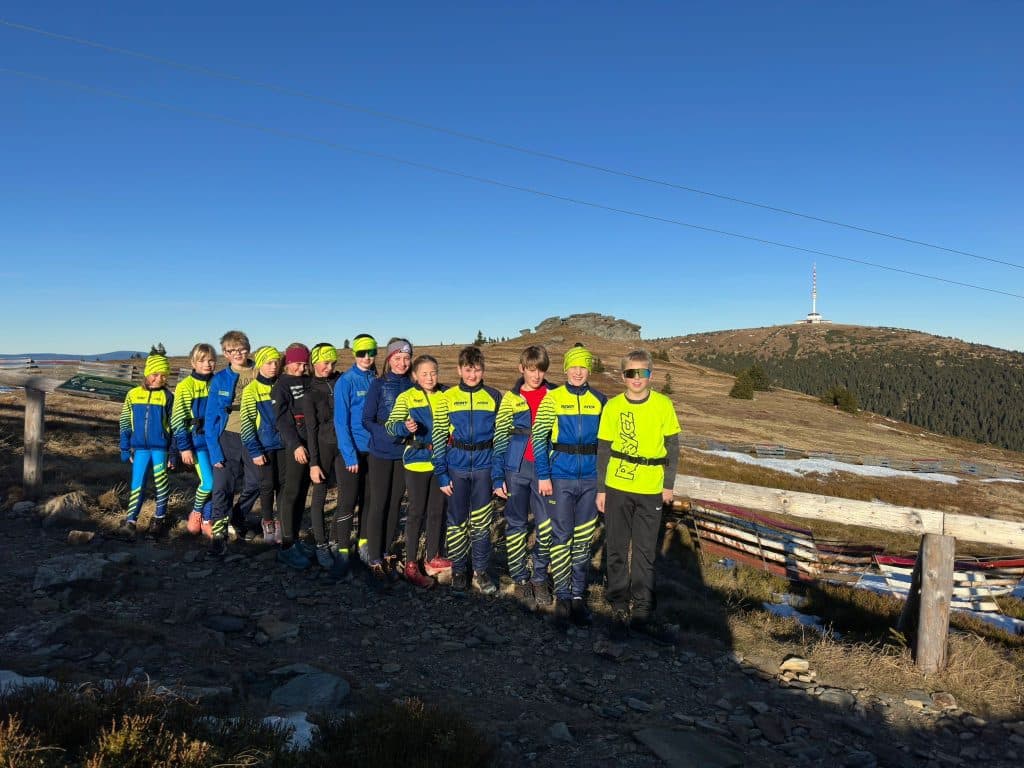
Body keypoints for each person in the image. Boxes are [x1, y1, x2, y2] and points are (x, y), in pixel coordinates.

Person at [596, 349, 681, 642]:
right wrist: (600, 489)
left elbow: (673, 447)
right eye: (630, 373)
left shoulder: (663, 404)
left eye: (642, 372)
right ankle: (618, 601)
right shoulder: (612, 406)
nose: (636, 378)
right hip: (617, 485)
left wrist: (667, 485)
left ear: (650, 375)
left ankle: (642, 605)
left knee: (645, 551)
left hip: (650, 488)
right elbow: (604, 449)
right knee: (617, 547)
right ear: (623, 376)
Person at [532, 343, 607, 626]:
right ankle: (562, 596)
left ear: (589, 369)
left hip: (589, 479)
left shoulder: (600, 400)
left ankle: (578, 597)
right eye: (573, 366)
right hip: (560, 476)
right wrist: (543, 475)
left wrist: (603, 485)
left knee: (583, 539)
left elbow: (606, 446)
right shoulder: (553, 398)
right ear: (565, 369)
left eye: (583, 367)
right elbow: (539, 439)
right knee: (561, 536)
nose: (578, 372)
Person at [432, 345, 502, 594]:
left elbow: (501, 439)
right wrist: (441, 472)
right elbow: (439, 435)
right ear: (460, 370)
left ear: (483, 370)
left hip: (484, 466)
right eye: (468, 370)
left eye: (478, 370)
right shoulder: (446, 398)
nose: (473, 375)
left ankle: (480, 572)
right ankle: (459, 570)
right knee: (457, 522)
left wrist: (498, 474)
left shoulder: (495, 397)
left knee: (482, 523)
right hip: (456, 467)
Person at [492, 345, 555, 610]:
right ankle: (519, 577)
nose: (536, 375)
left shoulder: (555, 396)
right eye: (531, 370)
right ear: (521, 369)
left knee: (546, 526)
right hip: (515, 468)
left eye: (540, 370)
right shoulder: (510, 398)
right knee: (516, 524)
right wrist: (497, 477)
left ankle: (539, 577)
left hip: (545, 471)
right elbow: (499, 437)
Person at [385, 354, 452, 588]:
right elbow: (391, 425)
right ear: (414, 375)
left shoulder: (445, 395)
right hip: (415, 461)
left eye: (433, 372)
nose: (429, 377)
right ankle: (411, 563)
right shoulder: (407, 397)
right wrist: (404, 427)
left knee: (437, 511)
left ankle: (433, 556)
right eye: (424, 373)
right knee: (415, 514)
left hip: (440, 461)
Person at [361, 338, 414, 583]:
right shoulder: (379, 385)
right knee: (379, 503)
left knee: (395, 504)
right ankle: (373, 559)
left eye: (406, 358)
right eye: (398, 358)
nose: (402, 363)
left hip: (404, 453)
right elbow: (367, 420)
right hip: (381, 452)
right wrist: (389, 433)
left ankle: (385, 552)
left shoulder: (414, 385)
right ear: (389, 359)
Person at [204, 331, 261, 556]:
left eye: (242, 349)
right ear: (226, 354)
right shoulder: (220, 379)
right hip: (226, 435)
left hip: (253, 436)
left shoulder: (259, 372)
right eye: (232, 351)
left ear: (249, 348)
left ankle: (238, 517)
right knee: (222, 487)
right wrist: (214, 451)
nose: (238, 354)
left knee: (257, 481)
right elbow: (210, 418)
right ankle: (219, 534)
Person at [118, 347, 174, 538]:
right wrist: (125, 447)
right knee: (137, 484)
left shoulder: (168, 397)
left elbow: (174, 426)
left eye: (163, 375)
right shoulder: (132, 394)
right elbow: (125, 421)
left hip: (161, 449)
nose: (159, 378)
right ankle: (131, 521)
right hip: (140, 449)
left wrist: (173, 452)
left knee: (161, 483)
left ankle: (159, 519)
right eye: (155, 374)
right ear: (147, 373)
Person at [334, 333, 377, 568]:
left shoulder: (374, 379)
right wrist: (349, 454)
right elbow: (341, 421)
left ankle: (363, 543)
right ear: (354, 354)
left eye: (371, 352)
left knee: (368, 500)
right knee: (348, 501)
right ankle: (342, 549)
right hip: (352, 453)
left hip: (373, 451)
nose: (367, 357)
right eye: (362, 352)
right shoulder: (346, 381)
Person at [302, 342, 346, 573]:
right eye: (324, 362)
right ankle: (320, 544)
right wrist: (314, 462)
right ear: (314, 362)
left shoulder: (341, 382)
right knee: (319, 495)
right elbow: (310, 429)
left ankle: (335, 539)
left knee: (346, 495)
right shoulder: (310, 391)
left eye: (332, 363)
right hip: (323, 446)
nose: (328, 367)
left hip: (344, 446)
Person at [240, 346, 286, 551]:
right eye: (268, 362)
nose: (273, 366)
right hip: (264, 446)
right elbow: (247, 422)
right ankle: (267, 522)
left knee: (284, 486)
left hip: (285, 445)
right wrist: (255, 450)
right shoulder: (251, 390)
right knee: (267, 485)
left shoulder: (282, 385)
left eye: (276, 362)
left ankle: (283, 523)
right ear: (259, 364)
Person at [273, 343, 314, 569]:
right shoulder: (281, 386)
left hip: (311, 442)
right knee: (292, 492)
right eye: (297, 364)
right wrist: (295, 444)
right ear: (288, 363)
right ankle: (286, 546)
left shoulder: (308, 381)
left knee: (302, 494)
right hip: (295, 445)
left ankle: (296, 539)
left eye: (304, 364)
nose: (301, 368)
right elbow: (282, 420)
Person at [170, 342, 217, 538]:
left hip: (217, 440)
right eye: (202, 360)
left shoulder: (217, 382)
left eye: (211, 360)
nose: (207, 364)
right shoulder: (185, 386)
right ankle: (196, 513)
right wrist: (184, 448)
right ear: (193, 362)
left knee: (219, 484)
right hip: (197, 441)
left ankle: (208, 520)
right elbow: (178, 419)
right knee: (208, 482)